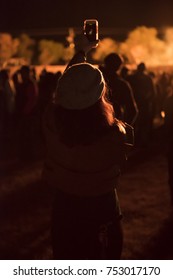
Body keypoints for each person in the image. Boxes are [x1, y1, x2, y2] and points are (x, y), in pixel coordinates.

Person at [42, 37, 133, 260]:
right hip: (103, 210)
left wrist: (80, 52)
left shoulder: (51, 123)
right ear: (101, 96)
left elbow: (67, 86)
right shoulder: (116, 135)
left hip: (65, 208)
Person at [99, 52, 138, 126]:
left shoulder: (95, 81)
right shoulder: (122, 84)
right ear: (119, 67)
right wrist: (124, 127)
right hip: (115, 125)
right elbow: (133, 111)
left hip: (96, 125)